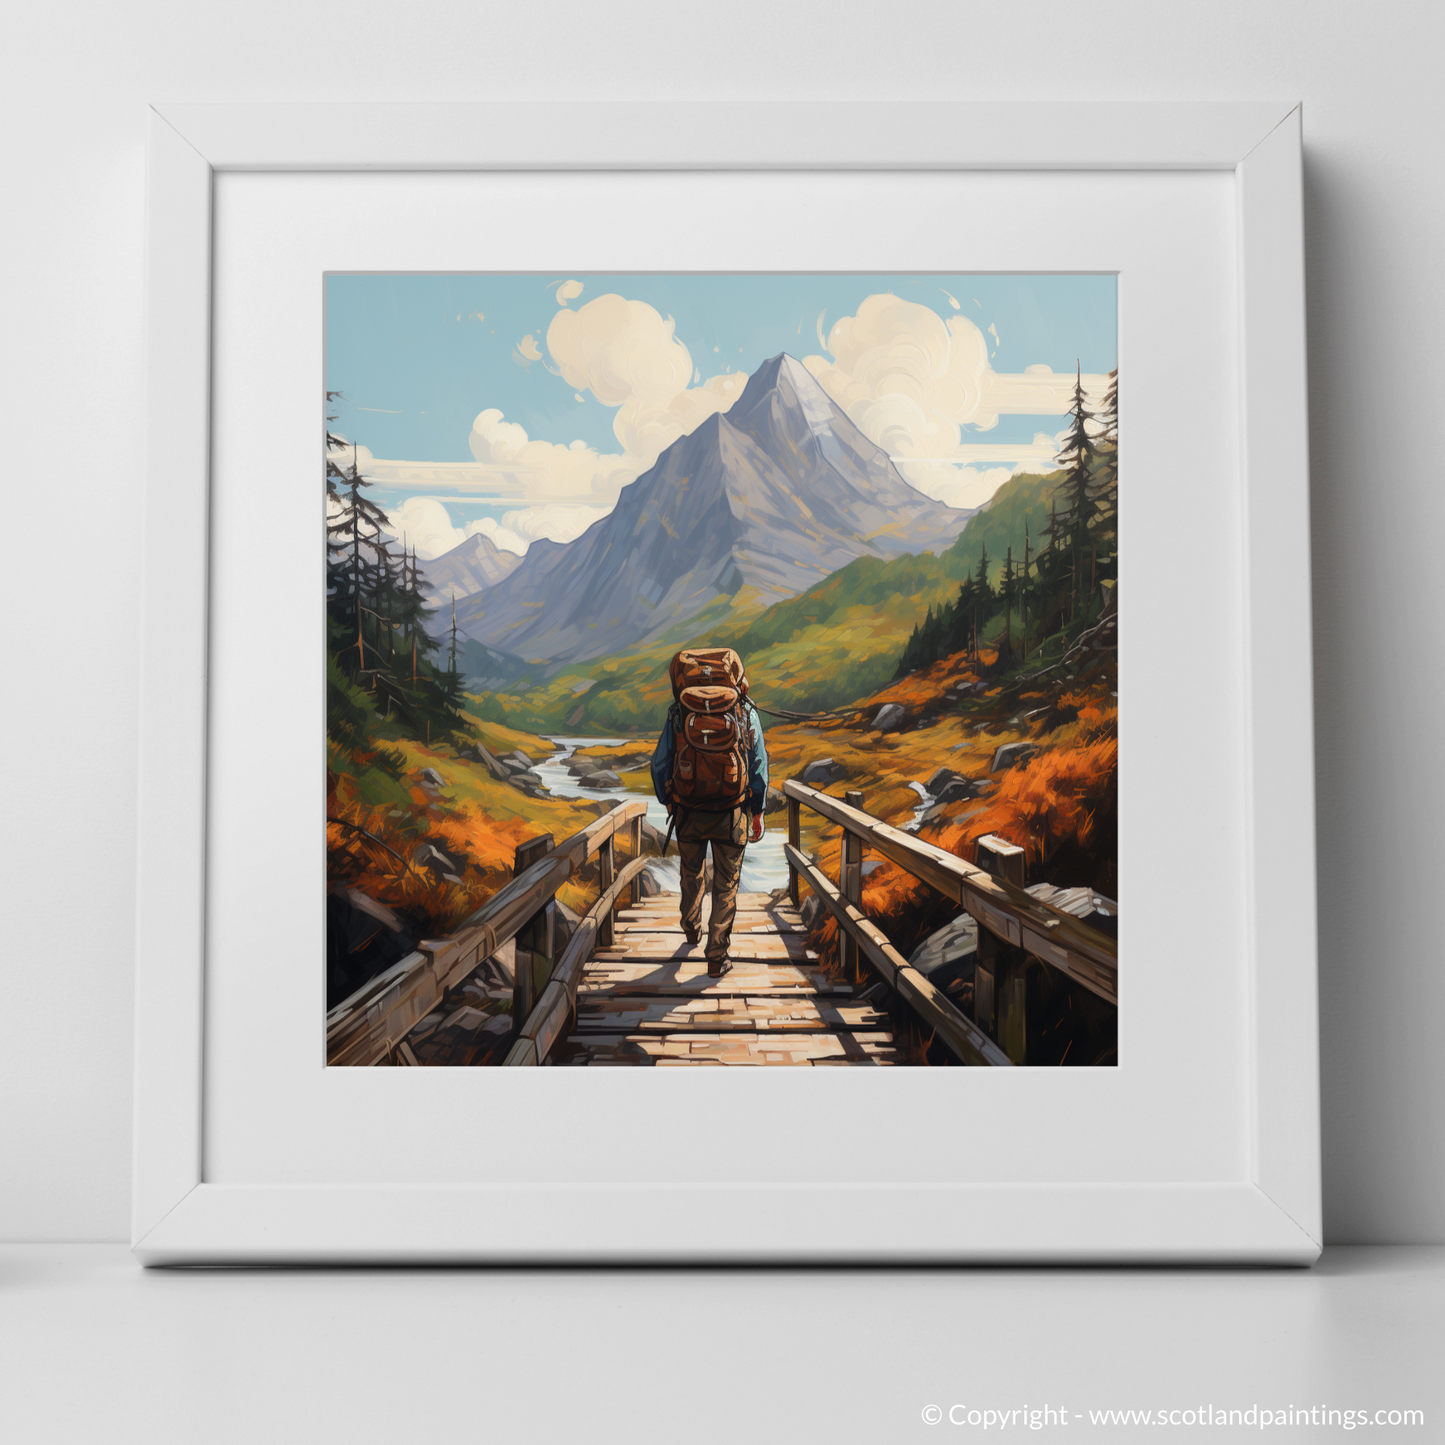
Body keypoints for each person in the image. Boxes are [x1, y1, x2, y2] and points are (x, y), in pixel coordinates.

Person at [650, 657, 769, 978]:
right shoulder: (744, 712)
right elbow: (757, 764)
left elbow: (660, 763)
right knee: (726, 884)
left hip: (688, 809)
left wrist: (669, 801)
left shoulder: (680, 713)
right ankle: (717, 954)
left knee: (691, 872)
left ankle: (691, 926)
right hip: (732, 811)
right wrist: (757, 810)